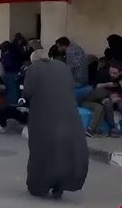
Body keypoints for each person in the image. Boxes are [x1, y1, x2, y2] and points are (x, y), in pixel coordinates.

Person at [22, 50, 89, 199]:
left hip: (44, 117)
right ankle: (61, 185)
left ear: (34, 61)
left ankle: (39, 186)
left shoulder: (33, 69)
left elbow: (27, 92)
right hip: (69, 115)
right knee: (65, 152)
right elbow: (71, 85)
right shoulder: (63, 67)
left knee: (42, 151)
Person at [95, 61, 122, 138]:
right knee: (108, 104)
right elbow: (96, 87)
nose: (112, 74)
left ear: (121, 72)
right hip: (104, 95)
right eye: (110, 72)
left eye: (115, 73)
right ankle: (113, 128)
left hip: (119, 95)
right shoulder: (103, 72)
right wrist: (106, 85)